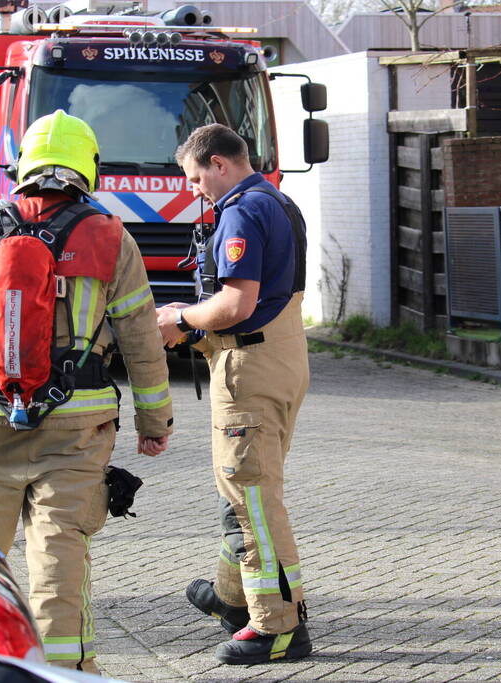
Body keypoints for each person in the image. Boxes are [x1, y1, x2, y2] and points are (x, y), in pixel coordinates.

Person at [0, 110, 172, 674]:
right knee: (59, 556)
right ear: (87, 166)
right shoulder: (112, 237)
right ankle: (65, 672)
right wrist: (152, 423)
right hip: (77, 429)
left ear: (24, 165)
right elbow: (141, 338)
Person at [156, 123, 311, 665]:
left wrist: (180, 318)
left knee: (252, 498)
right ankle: (231, 598)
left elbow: (237, 303)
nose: (194, 189)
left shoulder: (243, 210)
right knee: (245, 487)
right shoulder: (279, 201)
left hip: (250, 364)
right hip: (284, 356)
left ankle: (278, 627)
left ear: (219, 163)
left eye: (196, 178)